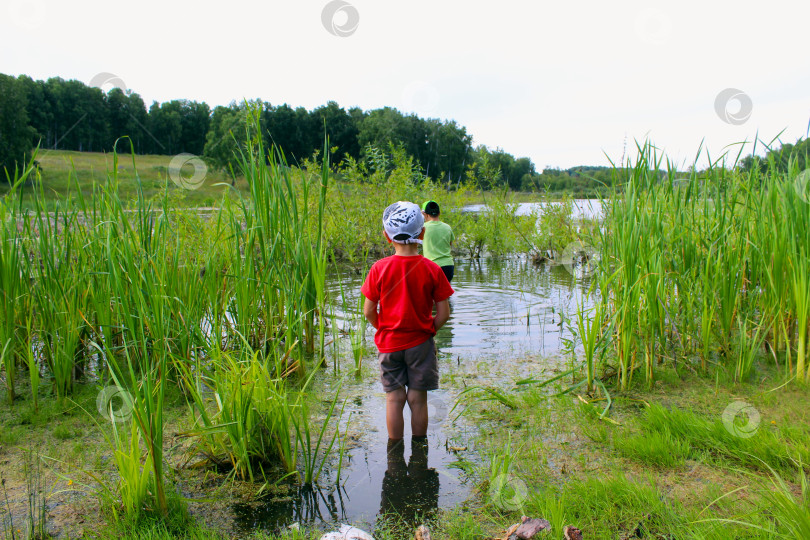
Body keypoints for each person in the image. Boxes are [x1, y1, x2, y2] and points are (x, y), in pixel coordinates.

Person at [361, 201, 454, 441]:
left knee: (394, 398)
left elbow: (369, 310)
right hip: (420, 344)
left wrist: (383, 327)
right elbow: (444, 314)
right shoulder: (432, 269)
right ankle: (419, 451)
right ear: (422, 233)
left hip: (390, 343)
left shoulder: (378, 268)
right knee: (417, 398)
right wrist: (427, 331)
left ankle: (394, 454)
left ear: (386, 236)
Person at [421, 200, 455, 283]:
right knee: (445, 294)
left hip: (432, 266)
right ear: (439, 213)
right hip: (448, 266)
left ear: (425, 214)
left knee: (431, 294)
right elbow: (450, 244)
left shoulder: (422, 228)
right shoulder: (447, 227)